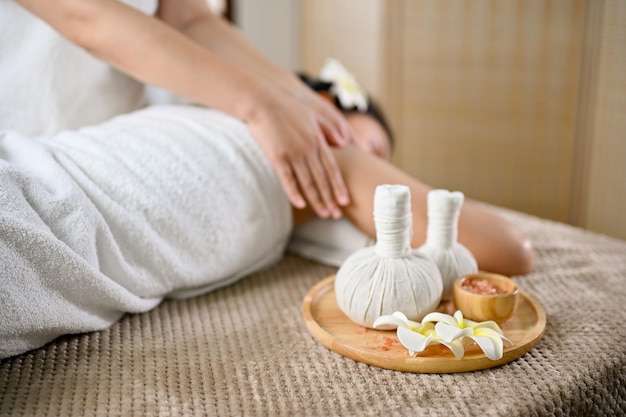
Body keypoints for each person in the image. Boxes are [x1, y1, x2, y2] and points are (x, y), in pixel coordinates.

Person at [0, 0, 533, 359]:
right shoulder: (301, 140)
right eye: (365, 141)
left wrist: (280, 96)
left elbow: (185, 17)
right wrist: (268, 104)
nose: (375, 165)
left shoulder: (279, 119)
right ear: (325, 111)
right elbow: (506, 249)